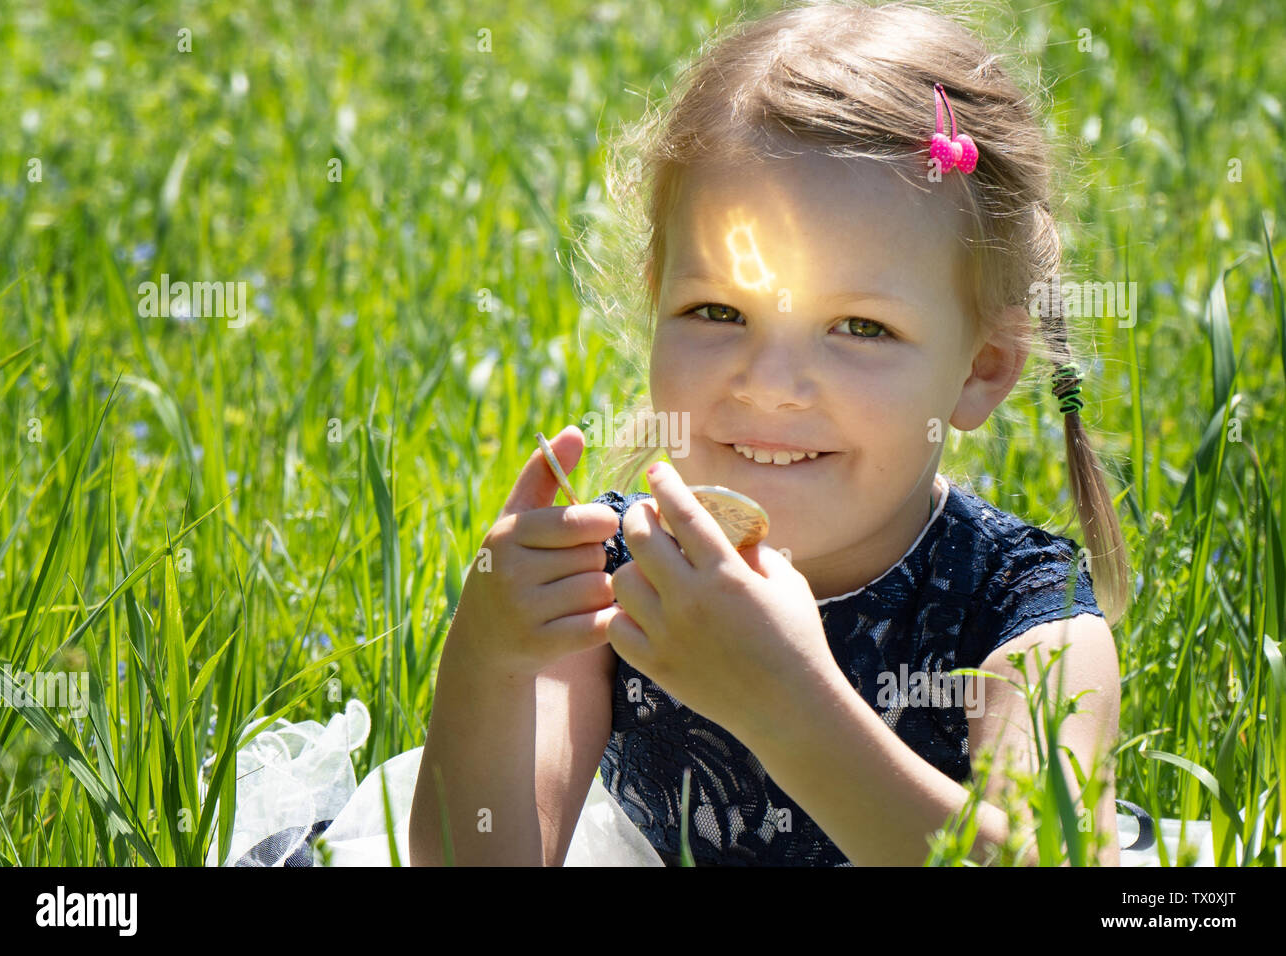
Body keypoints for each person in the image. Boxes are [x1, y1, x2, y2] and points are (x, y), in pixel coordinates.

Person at [409, 0, 1141, 867]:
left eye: (860, 327)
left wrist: (784, 707)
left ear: (981, 367)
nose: (770, 384)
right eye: (717, 311)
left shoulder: (1027, 611)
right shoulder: (623, 580)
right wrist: (487, 656)